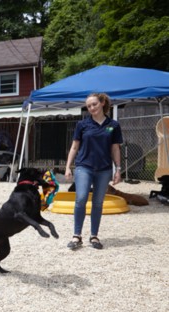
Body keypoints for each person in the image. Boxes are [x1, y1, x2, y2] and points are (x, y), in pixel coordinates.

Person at [64, 93, 123, 250]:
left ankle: (94, 236)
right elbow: (75, 146)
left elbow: (115, 148)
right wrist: (68, 166)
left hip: (104, 169)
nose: (91, 108)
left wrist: (118, 169)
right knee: (81, 198)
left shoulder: (113, 125)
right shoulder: (82, 125)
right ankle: (76, 236)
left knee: (97, 203)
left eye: (94, 104)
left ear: (102, 103)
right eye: (89, 106)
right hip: (84, 167)